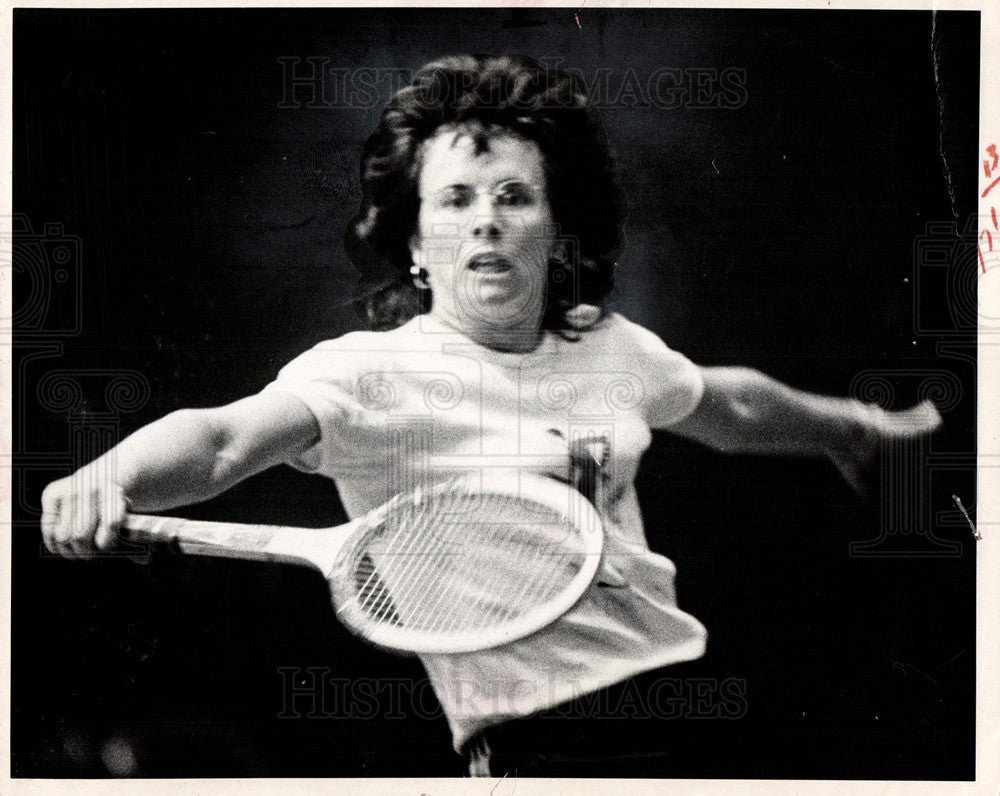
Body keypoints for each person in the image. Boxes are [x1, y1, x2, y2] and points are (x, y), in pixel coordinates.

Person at [40, 54, 942, 777]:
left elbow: (731, 405)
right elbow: (220, 438)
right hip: (536, 747)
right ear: (415, 244)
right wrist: (104, 477)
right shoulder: (365, 373)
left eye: (515, 197)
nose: (486, 222)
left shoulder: (610, 345)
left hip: (693, 701)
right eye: (456, 201)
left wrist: (857, 432)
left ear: (557, 230)